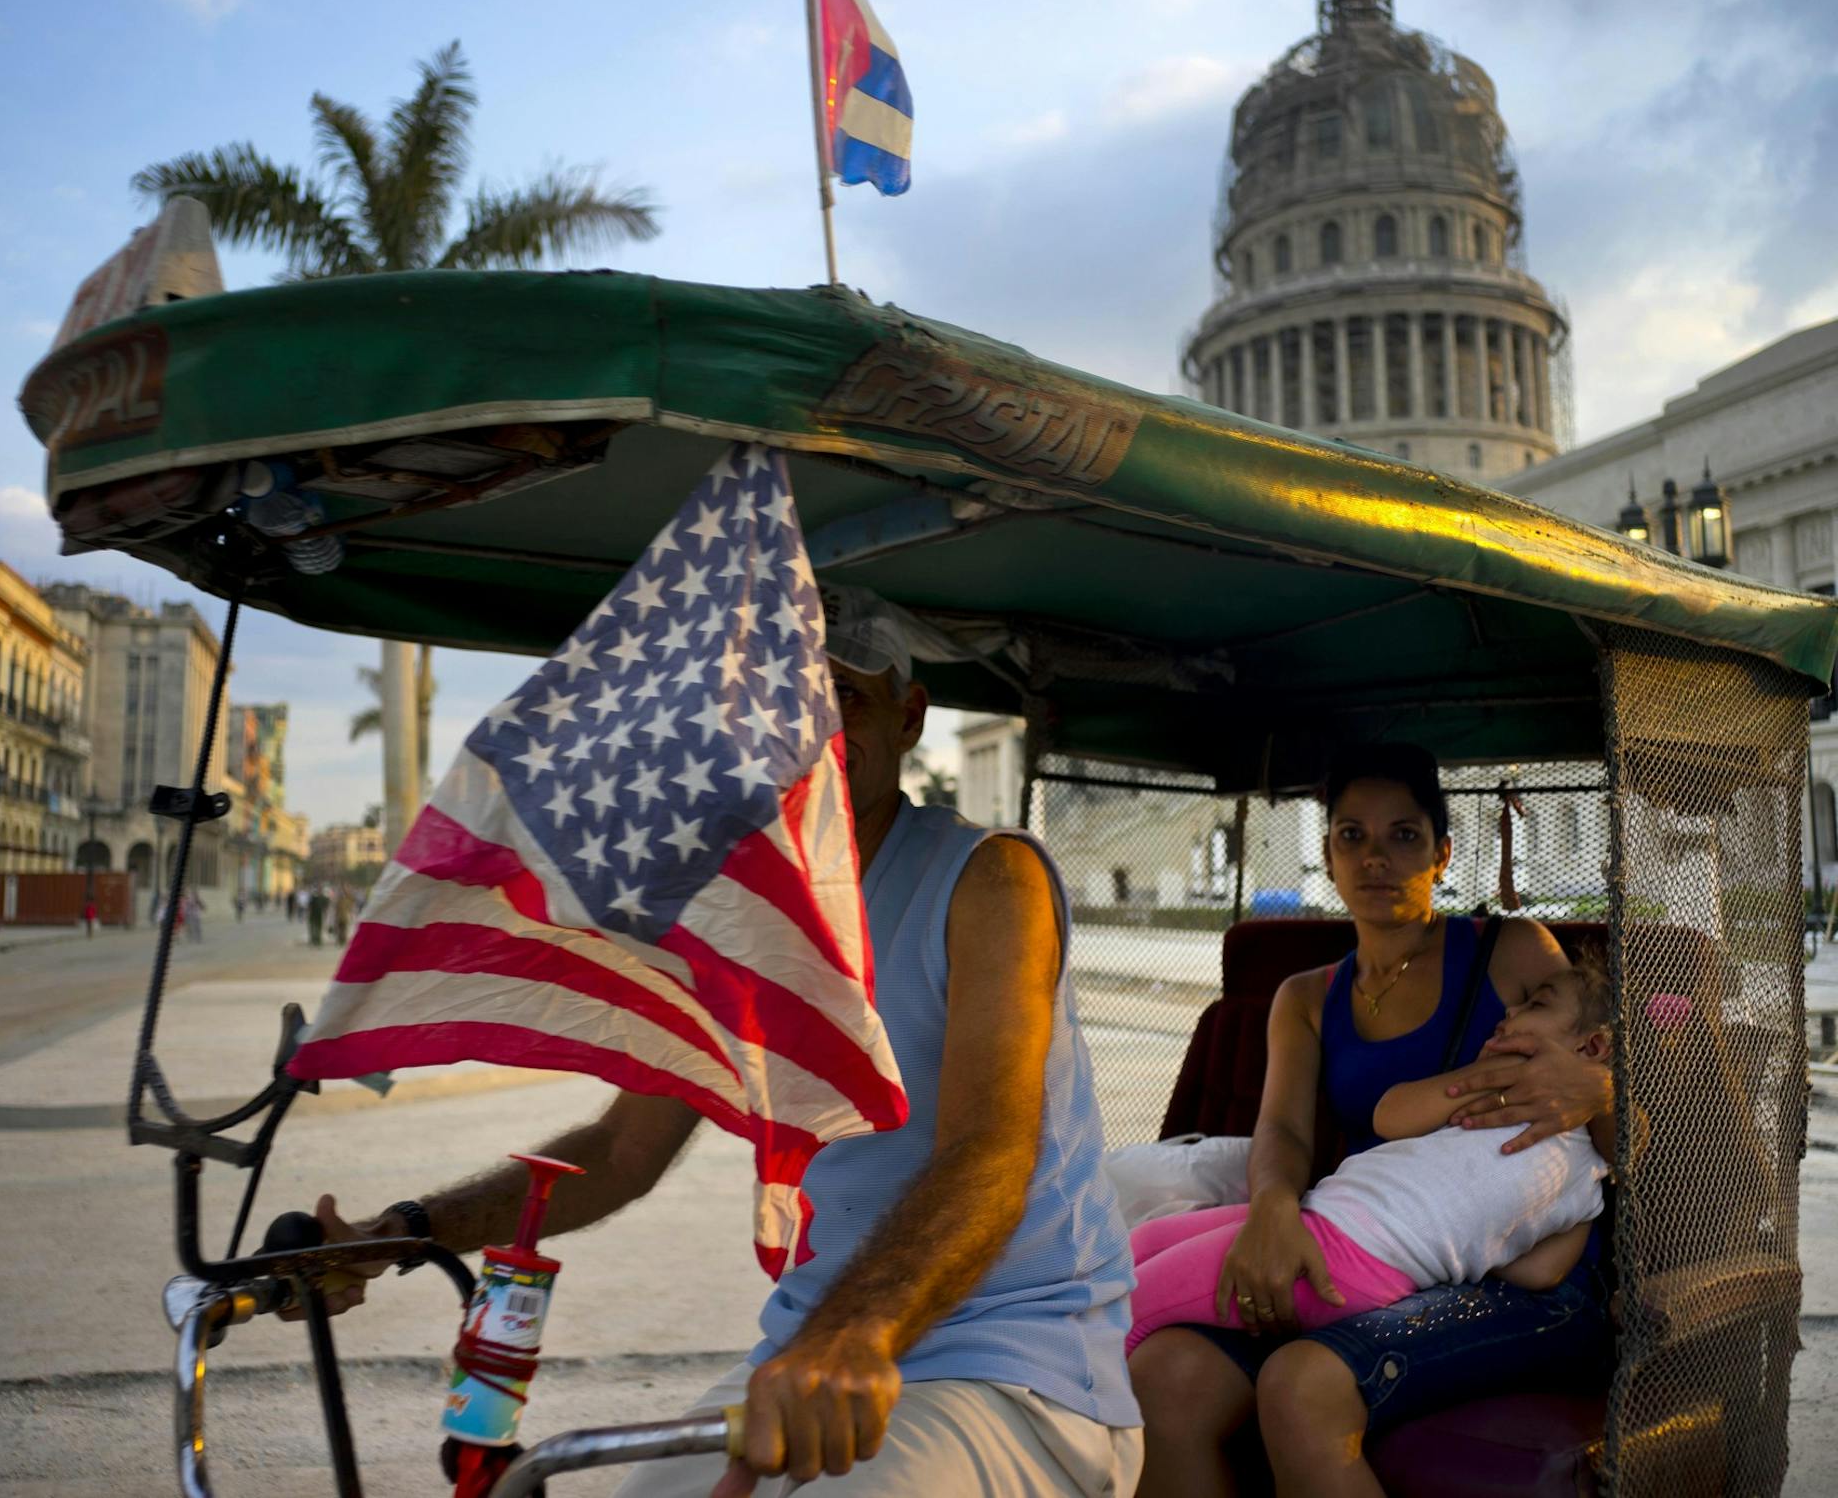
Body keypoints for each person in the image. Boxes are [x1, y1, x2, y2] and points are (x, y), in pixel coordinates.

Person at [289, 588, 1144, 1497]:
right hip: (809, 1356)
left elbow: (990, 1153)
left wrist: (851, 1337)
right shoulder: (752, 918)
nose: (811, 733)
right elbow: (622, 1149)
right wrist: (405, 1233)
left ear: (908, 715)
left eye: (843, 698)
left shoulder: (988, 880)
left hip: (1011, 1367)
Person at [1131, 743, 1617, 1497]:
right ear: (1326, 856)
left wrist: (1602, 1089)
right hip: (1363, 1247)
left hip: (1520, 1281)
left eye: (1404, 835)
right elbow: (1284, 1136)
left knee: (1301, 1384)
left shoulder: (1511, 952)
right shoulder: (1305, 997)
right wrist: (1271, 1210)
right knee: (1163, 1375)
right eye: (1351, 835)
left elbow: (1602, 1084)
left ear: (1442, 852)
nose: (1376, 858)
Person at [1126, 947, 1611, 1351]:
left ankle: (1080, 1429)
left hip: (1345, 1255)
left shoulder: (1533, 1126)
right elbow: (1539, 1269)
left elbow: (1389, 1115)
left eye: (1537, 1006)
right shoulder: (1574, 1173)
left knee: (1129, 1304)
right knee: (1139, 1246)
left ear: (1591, 1050)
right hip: (1319, 1221)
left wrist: (1478, 1079)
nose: (1511, 1012)